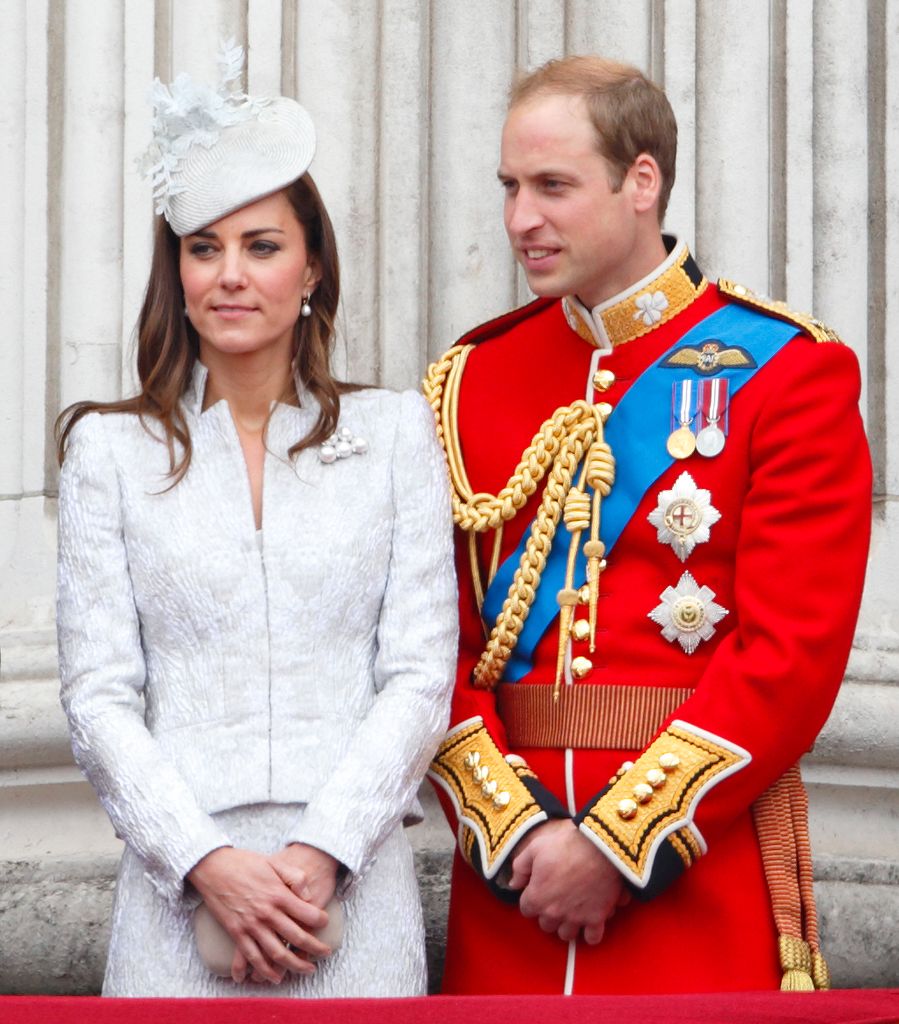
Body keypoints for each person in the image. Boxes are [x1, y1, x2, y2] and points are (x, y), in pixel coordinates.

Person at [425, 55, 871, 995]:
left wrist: (619, 845)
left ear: (642, 182)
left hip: (691, 872)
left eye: (552, 186)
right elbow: (431, 648)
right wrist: (517, 834)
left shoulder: (785, 371)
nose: (519, 220)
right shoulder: (472, 379)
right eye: (509, 187)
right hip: (513, 884)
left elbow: (790, 656)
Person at [56, 43, 457, 998]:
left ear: (311, 267)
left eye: (262, 246)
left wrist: (323, 851)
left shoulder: (395, 431)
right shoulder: (108, 454)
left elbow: (417, 672)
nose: (230, 275)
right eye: (205, 248)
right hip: (175, 897)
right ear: (179, 272)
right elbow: (98, 695)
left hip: (353, 892)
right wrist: (205, 862)